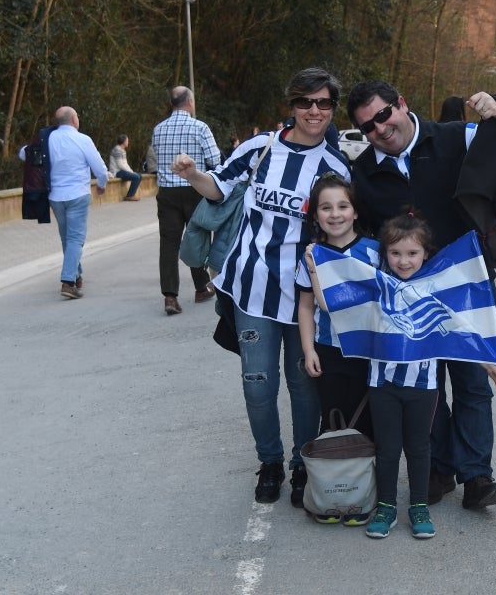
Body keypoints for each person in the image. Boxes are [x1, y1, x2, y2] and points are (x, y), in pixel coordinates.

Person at [346, 80, 496, 510]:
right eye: (367, 127)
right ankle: (439, 469)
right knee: (426, 387)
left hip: (467, 284)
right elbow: (362, 232)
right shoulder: (364, 172)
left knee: (472, 381)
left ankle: (478, 476)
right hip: (409, 295)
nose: (380, 130)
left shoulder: (457, 137)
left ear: (401, 104)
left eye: (383, 116)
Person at [171, 67, 350, 506]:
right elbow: (218, 189)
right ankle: (269, 462)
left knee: (304, 384)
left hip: (305, 298)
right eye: (306, 102)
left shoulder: (334, 165)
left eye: (323, 103)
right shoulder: (260, 148)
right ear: (291, 105)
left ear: (331, 109)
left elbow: (344, 222)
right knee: (257, 383)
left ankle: (302, 466)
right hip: (251, 288)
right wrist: (193, 174)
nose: (314, 110)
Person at [307, 212, 496, 539]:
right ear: (384, 254)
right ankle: (386, 506)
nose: (404, 261)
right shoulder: (376, 286)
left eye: (412, 253)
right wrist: (317, 269)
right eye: (396, 253)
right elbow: (331, 304)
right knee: (387, 449)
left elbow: (462, 331)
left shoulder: (436, 289)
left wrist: (491, 367)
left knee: (419, 449)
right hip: (382, 386)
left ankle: (418, 507)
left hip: (423, 388)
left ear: (426, 253)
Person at [295, 173, 378, 524]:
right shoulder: (312, 255)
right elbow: (305, 307)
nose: (335, 214)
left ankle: (363, 497)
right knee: (332, 420)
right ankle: (332, 494)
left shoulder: (375, 251)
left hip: (368, 352)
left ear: (355, 211)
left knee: (368, 425)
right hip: (328, 351)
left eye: (343, 206)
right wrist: (309, 349)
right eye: (326, 208)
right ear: (316, 216)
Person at [19, 106, 108, 299]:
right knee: (75, 239)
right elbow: (100, 169)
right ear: (74, 120)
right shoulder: (83, 140)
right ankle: (68, 282)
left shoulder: (46, 139)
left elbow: (23, 154)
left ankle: (76, 275)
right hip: (78, 195)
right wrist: (101, 185)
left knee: (67, 238)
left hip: (55, 197)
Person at [152, 86, 221, 315]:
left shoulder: (158, 129)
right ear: (190, 102)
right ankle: (201, 288)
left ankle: (170, 297)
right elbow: (214, 159)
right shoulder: (200, 127)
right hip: (194, 188)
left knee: (168, 243)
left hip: (167, 192)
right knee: (197, 238)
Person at [108, 134, 142, 201]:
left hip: (122, 171)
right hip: (117, 172)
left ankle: (131, 195)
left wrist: (131, 172)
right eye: (127, 141)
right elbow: (120, 165)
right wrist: (131, 172)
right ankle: (130, 196)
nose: (128, 142)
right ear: (123, 141)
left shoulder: (122, 150)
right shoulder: (117, 150)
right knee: (136, 177)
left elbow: (125, 164)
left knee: (139, 176)